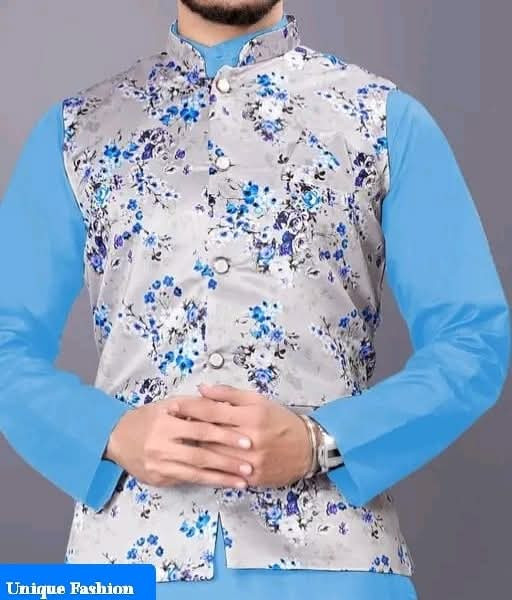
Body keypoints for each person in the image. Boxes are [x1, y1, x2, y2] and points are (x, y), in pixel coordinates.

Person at [0, 1, 509, 599]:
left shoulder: (383, 121)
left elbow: (474, 341)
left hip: (336, 570)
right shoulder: (79, 131)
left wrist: (324, 442)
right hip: (121, 571)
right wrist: (110, 434)